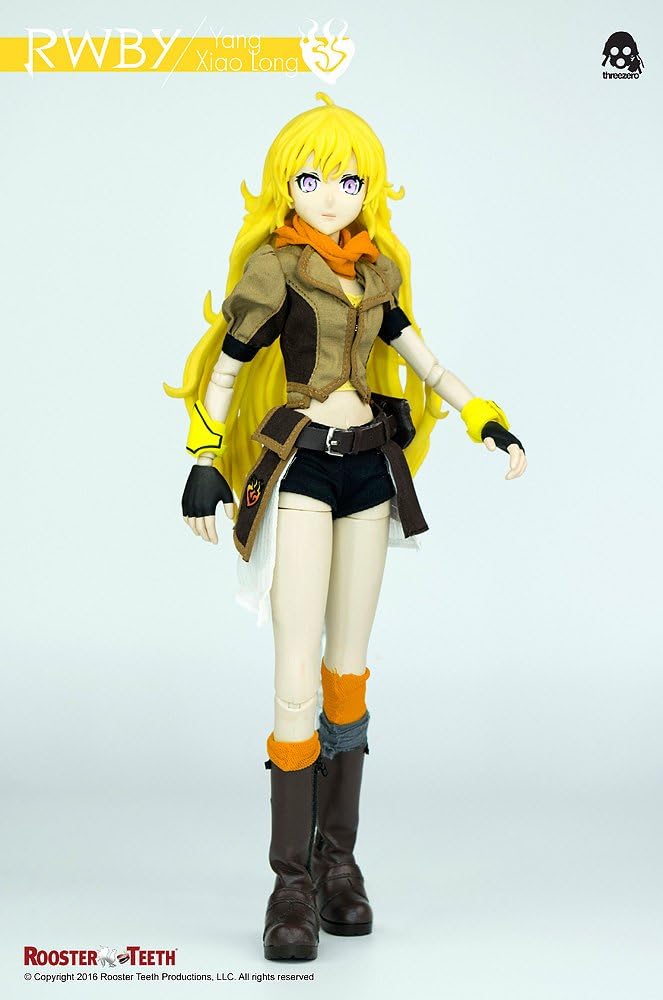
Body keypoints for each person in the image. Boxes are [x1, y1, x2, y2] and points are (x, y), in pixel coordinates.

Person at [164, 93, 527, 962]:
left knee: (347, 669)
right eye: (313, 178)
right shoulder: (276, 270)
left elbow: (423, 360)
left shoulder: (376, 273)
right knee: (295, 672)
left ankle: (338, 865)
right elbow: (226, 369)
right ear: (286, 185)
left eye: (349, 180)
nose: (332, 196)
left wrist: (482, 416)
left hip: (368, 467)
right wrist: (206, 456)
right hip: (302, 466)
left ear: (370, 188)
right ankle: (288, 879)